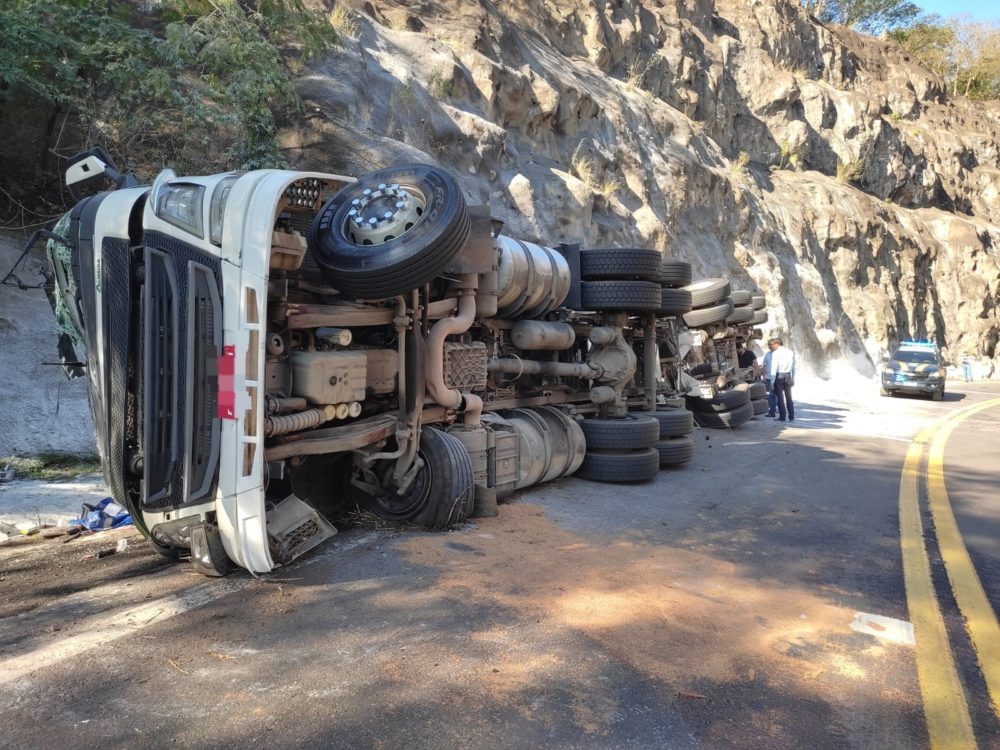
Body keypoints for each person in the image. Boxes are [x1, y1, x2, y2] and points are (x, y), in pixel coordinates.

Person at [766, 337, 795, 422]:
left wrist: (771, 381)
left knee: (780, 397)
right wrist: (793, 378)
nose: (771, 346)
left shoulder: (776, 353)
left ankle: (782, 417)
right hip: (788, 375)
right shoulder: (790, 352)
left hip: (779, 375)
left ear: (777, 344)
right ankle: (791, 416)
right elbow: (793, 366)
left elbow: (774, 368)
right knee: (789, 397)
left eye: (772, 344)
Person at [760, 344, 778, 417]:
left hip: (778, 377)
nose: (770, 347)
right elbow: (764, 365)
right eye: (769, 346)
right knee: (771, 395)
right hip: (769, 378)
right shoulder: (767, 354)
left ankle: (778, 409)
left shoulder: (779, 354)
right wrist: (764, 376)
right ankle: (772, 411)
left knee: (777, 395)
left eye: (771, 346)